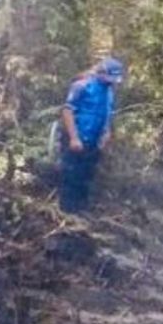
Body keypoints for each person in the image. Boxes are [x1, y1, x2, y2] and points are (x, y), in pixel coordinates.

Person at [59, 57, 124, 213]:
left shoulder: (108, 91)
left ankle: (82, 211)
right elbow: (67, 111)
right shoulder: (82, 86)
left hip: (94, 141)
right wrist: (74, 138)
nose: (112, 82)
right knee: (71, 176)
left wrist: (107, 132)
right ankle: (67, 212)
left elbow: (107, 113)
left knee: (86, 177)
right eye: (109, 77)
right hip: (76, 138)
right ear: (101, 72)